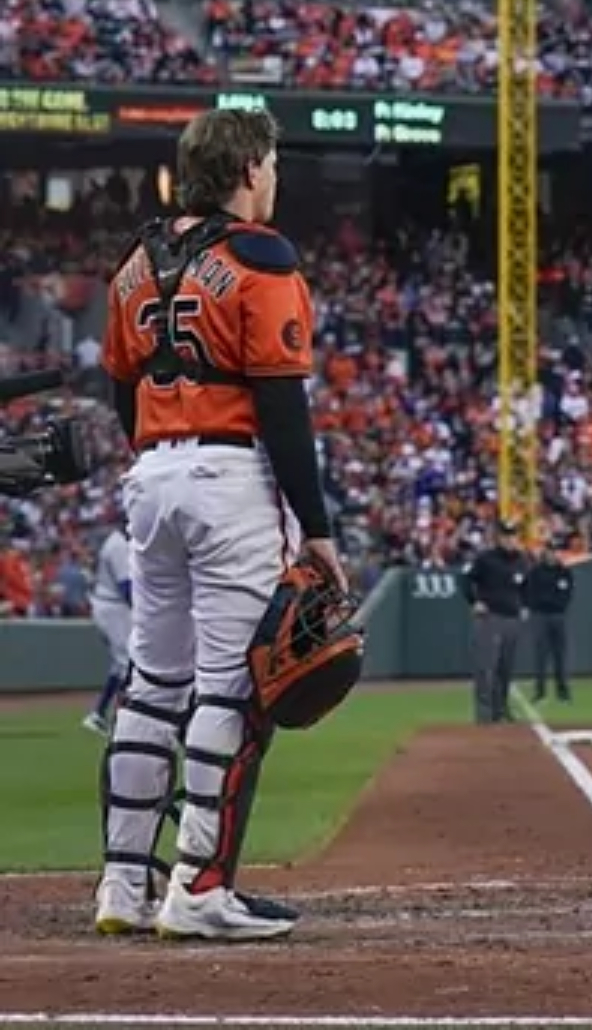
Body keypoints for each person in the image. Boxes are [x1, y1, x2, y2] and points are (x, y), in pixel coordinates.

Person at [93, 106, 344, 942]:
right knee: (233, 688)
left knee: (151, 683)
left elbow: (124, 387)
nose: (274, 178)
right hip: (228, 473)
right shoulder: (261, 259)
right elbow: (282, 402)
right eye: (269, 164)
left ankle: (123, 885)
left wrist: (160, 450)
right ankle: (200, 887)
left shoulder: (135, 262)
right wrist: (318, 526)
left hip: (152, 473)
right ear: (246, 169)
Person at [465, 522, 529, 723]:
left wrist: (525, 605)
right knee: (486, 667)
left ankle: (501, 710)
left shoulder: (521, 560)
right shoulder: (486, 559)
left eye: (513, 536)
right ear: (499, 538)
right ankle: (484, 714)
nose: (510, 540)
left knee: (505, 667)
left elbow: (527, 587)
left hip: (512, 618)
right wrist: (474, 601)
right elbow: (466, 580)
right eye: (506, 536)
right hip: (490, 618)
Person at [83, 520, 133, 735]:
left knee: (121, 664)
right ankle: (122, 718)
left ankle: (99, 714)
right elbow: (127, 589)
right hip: (112, 607)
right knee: (129, 663)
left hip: (112, 606)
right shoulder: (118, 546)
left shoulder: (120, 542)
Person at [525, 544, 575, 704]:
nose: (552, 554)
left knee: (560, 656)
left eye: (555, 551)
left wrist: (558, 605)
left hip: (558, 616)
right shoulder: (535, 572)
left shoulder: (564, 572)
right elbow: (529, 592)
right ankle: (540, 693)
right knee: (540, 656)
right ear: (545, 553)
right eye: (549, 551)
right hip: (540, 616)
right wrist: (535, 606)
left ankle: (563, 692)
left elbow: (567, 594)